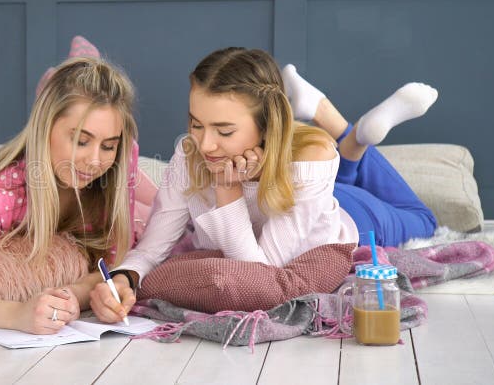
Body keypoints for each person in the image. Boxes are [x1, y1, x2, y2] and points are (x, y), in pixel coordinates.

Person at [89, 47, 437, 323]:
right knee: (338, 171)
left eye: (224, 131)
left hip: (354, 217)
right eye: (196, 124)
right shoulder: (190, 153)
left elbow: (260, 274)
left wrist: (228, 191)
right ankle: (344, 131)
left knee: (422, 219)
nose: (205, 144)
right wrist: (123, 279)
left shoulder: (310, 157)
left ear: (266, 124)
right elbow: (151, 248)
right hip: (314, 191)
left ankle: (348, 130)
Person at [0, 56, 138, 334]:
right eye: (81, 141)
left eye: (108, 146)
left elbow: (114, 261)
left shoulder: (121, 163)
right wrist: (16, 314)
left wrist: (80, 293)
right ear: (45, 128)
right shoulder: (3, 191)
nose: (95, 161)